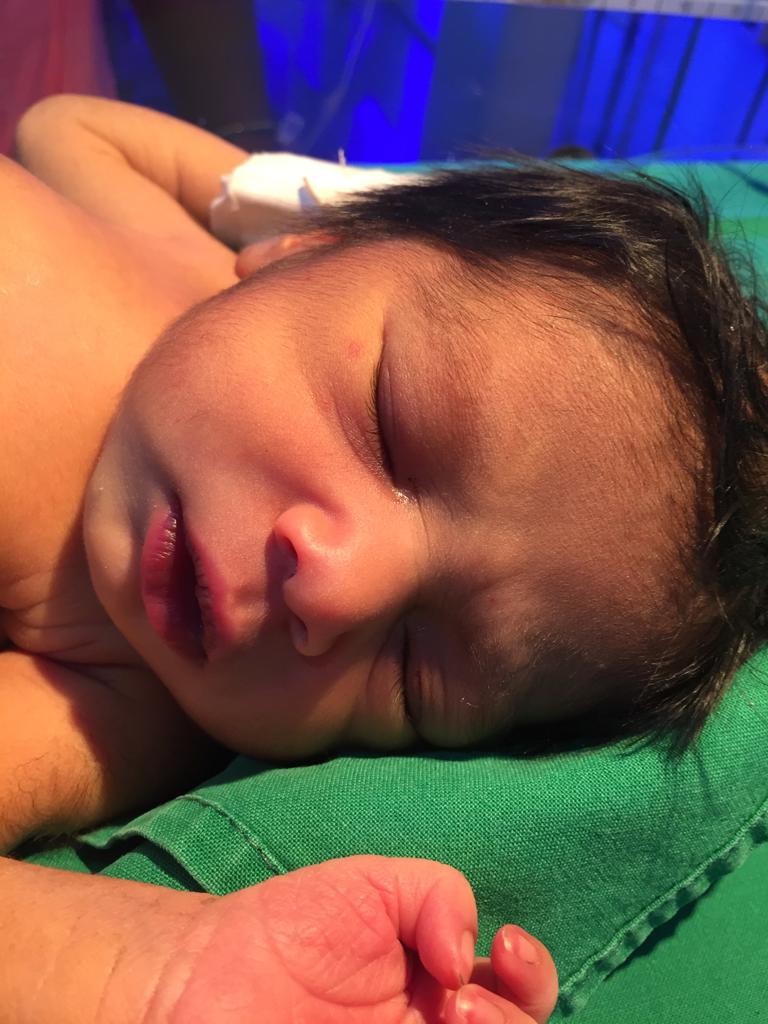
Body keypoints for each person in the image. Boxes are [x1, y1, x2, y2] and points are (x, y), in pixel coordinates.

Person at [1, 94, 766, 1018]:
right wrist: (329, 208)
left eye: (413, 674)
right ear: (303, 252)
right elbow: (68, 130)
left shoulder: (124, 708)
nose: (337, 588)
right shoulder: (187, 264)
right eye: (386, 425)